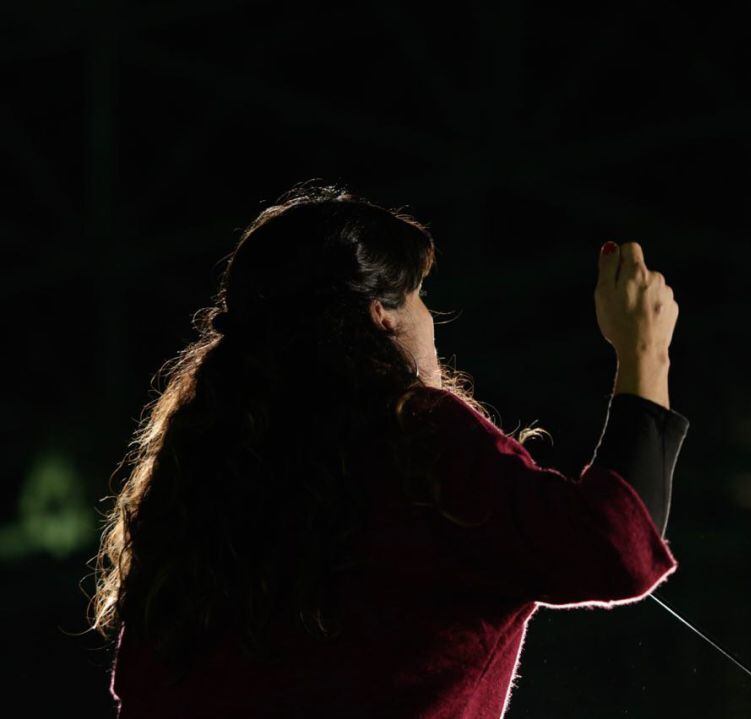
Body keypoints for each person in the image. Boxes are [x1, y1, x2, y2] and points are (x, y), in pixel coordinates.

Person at [91, 179, 690, 718]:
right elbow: (611, 547)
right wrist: (645, 352)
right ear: (381, 315)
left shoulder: (195, 483)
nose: (432, 320)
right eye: (421, 296)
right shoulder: (412, 442)